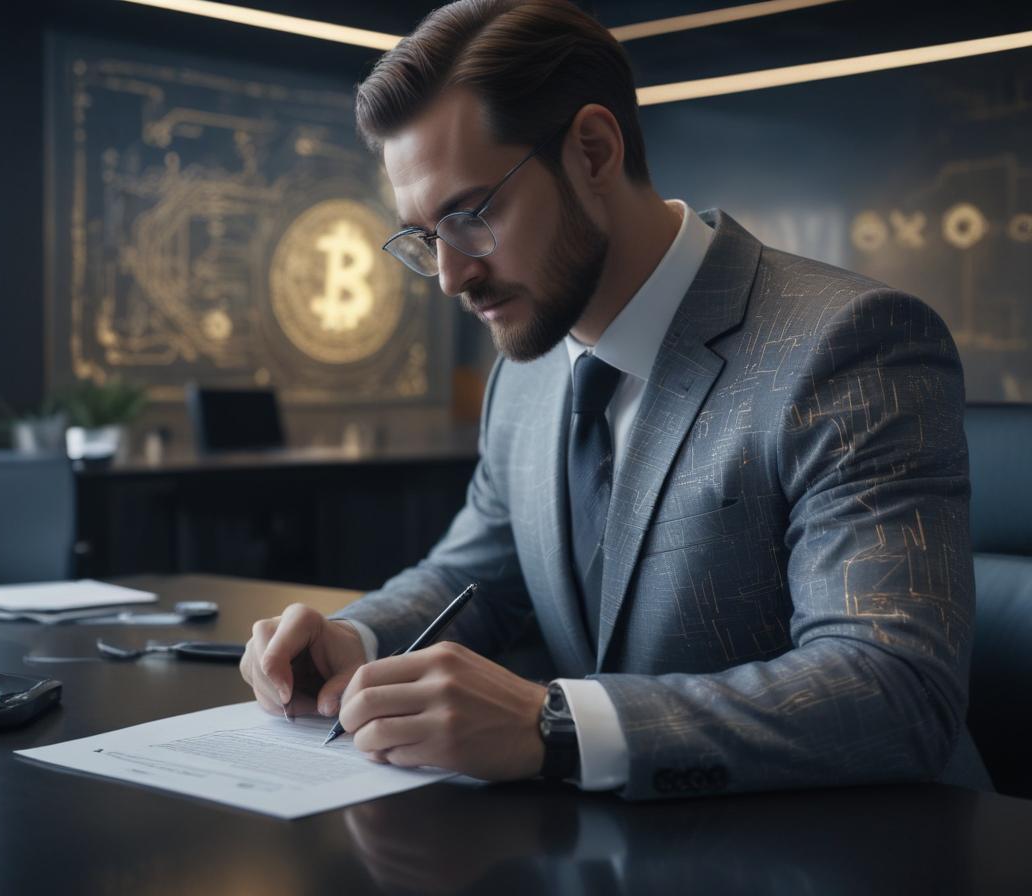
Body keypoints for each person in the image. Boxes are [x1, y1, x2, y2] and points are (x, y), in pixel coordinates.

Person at [241, 0, 992, 798]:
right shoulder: (525, 372)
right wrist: (355, 636)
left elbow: (896, 688)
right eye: (425, 238)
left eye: (468, 216)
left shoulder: (849, 345)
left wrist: (554, 724)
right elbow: (477, 574)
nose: (452, 276)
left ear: (593, 152)